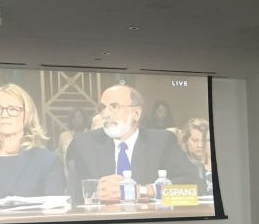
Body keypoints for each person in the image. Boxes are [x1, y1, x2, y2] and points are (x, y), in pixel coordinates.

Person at [66, 84, 196, 204]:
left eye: (114, 107)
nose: (105, 114)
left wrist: (143, 191)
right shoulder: (84, 144)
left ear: (136, 113)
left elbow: (194, 189)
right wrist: (96, 192)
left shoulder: (162, 142)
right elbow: (75, 196)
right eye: (102, 108)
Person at [0, 83, 66, 198]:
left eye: (13, 109)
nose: (4, 115)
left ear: (27, 115)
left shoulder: (47, 161)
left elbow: (54, 211)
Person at [180, 118, 213, 196]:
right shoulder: (178, 166)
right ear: (185, 141)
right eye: (195, 140)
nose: (200, 145)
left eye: (205, 140)